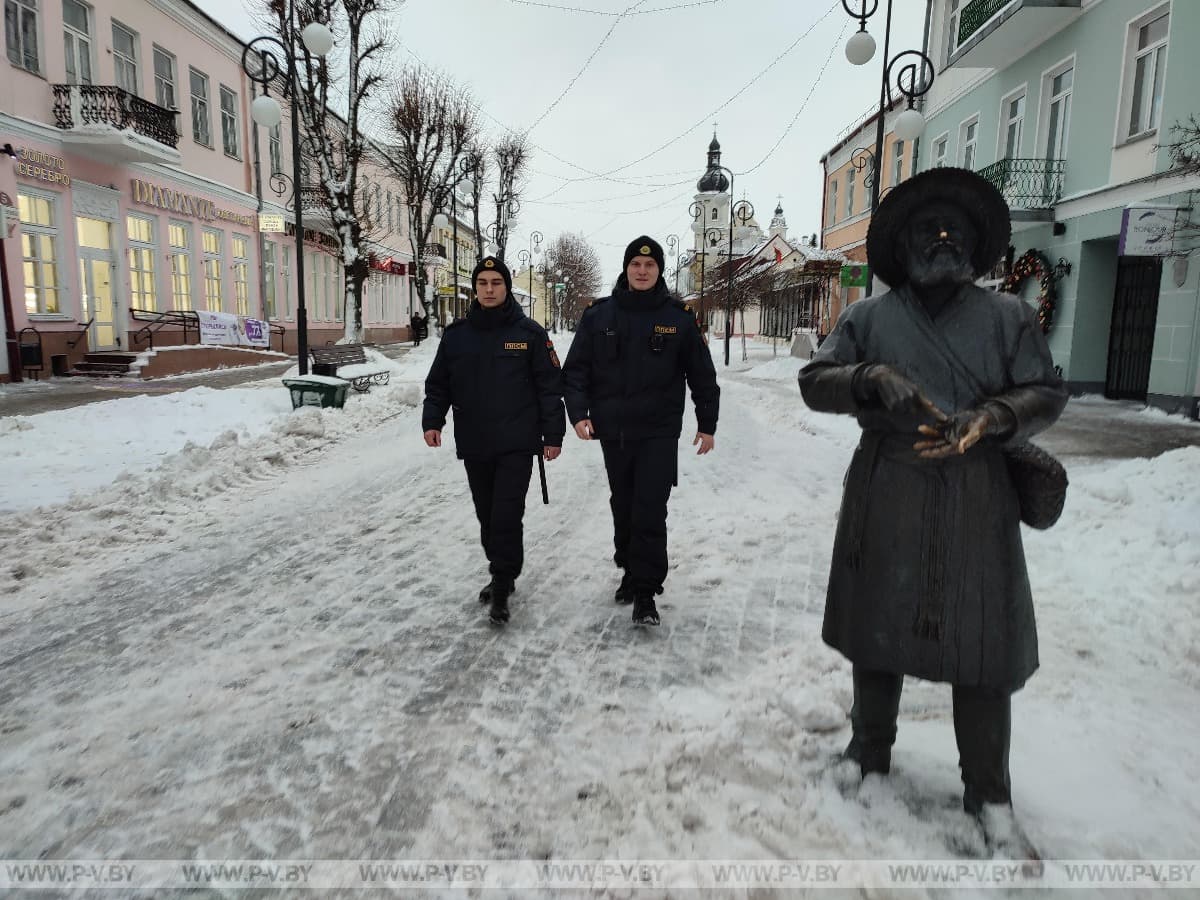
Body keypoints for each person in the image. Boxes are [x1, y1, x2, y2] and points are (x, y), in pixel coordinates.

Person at [798, 167, 1067, 857]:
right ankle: (867, 748)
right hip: (887, 485)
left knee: (982, 645)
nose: (943, 237)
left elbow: (1046, 391)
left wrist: (995, 416)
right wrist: (866, 378)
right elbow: (813, 380)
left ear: (976, 245)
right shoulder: (868, 318)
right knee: (873, 626)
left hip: (975, 492)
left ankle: (990, 793)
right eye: (927, 228)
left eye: (955, 229)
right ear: (904, 246)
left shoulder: (1007, 317)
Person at [563, 236, 720, 627]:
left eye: (650, 266)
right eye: (636, 264)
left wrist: (707, 423)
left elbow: (702, 375)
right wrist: (578, 413)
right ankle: (629, 570)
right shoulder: (599, 316)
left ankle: (646, 591)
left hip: (658, 432)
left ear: (659, 270)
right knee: (624, 504)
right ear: (626, 268)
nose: (643, 270)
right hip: (613, 431)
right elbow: (576, 369)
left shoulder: (679, 318)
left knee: (650, 508)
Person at [422, 255, 566, 625]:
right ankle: (501, 568)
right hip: (476, 442)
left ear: (506, 288)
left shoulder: (530, 334)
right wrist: (432, 420)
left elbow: (550, 388)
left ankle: (502, 582)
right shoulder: (457, 336)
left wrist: (554, 433)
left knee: (505, 514)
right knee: (486, 515)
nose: (489, 289)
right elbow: (439, 384)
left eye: (496, 283)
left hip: (518, 443)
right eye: (483, 283)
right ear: (475, 289)